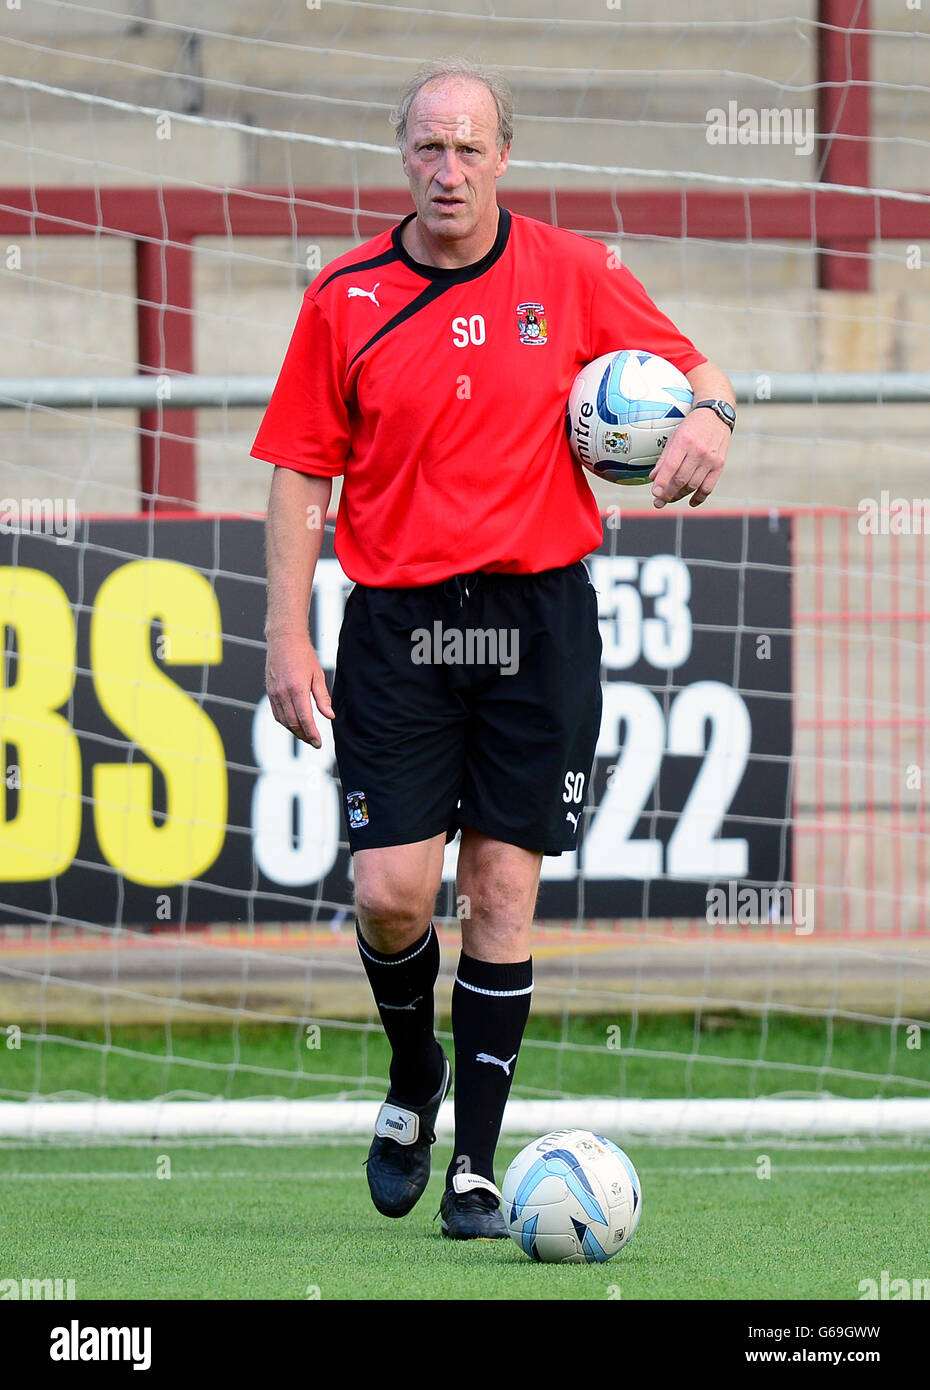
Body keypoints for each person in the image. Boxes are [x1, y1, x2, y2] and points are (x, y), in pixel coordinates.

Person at [251, 58, 735, 1240]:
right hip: (401, 626)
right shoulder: (346, 294)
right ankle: (413, 1077)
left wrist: (713, 418)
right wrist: (284, 634)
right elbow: (302, 471)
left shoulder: (571, 273)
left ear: (504, 158)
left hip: (536, 620)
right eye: (428, 149)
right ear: (401, 158)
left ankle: (475, 1162)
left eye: (470, 149)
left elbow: (700, 370)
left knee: (503, 892)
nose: (449, 170)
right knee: (390, 896)